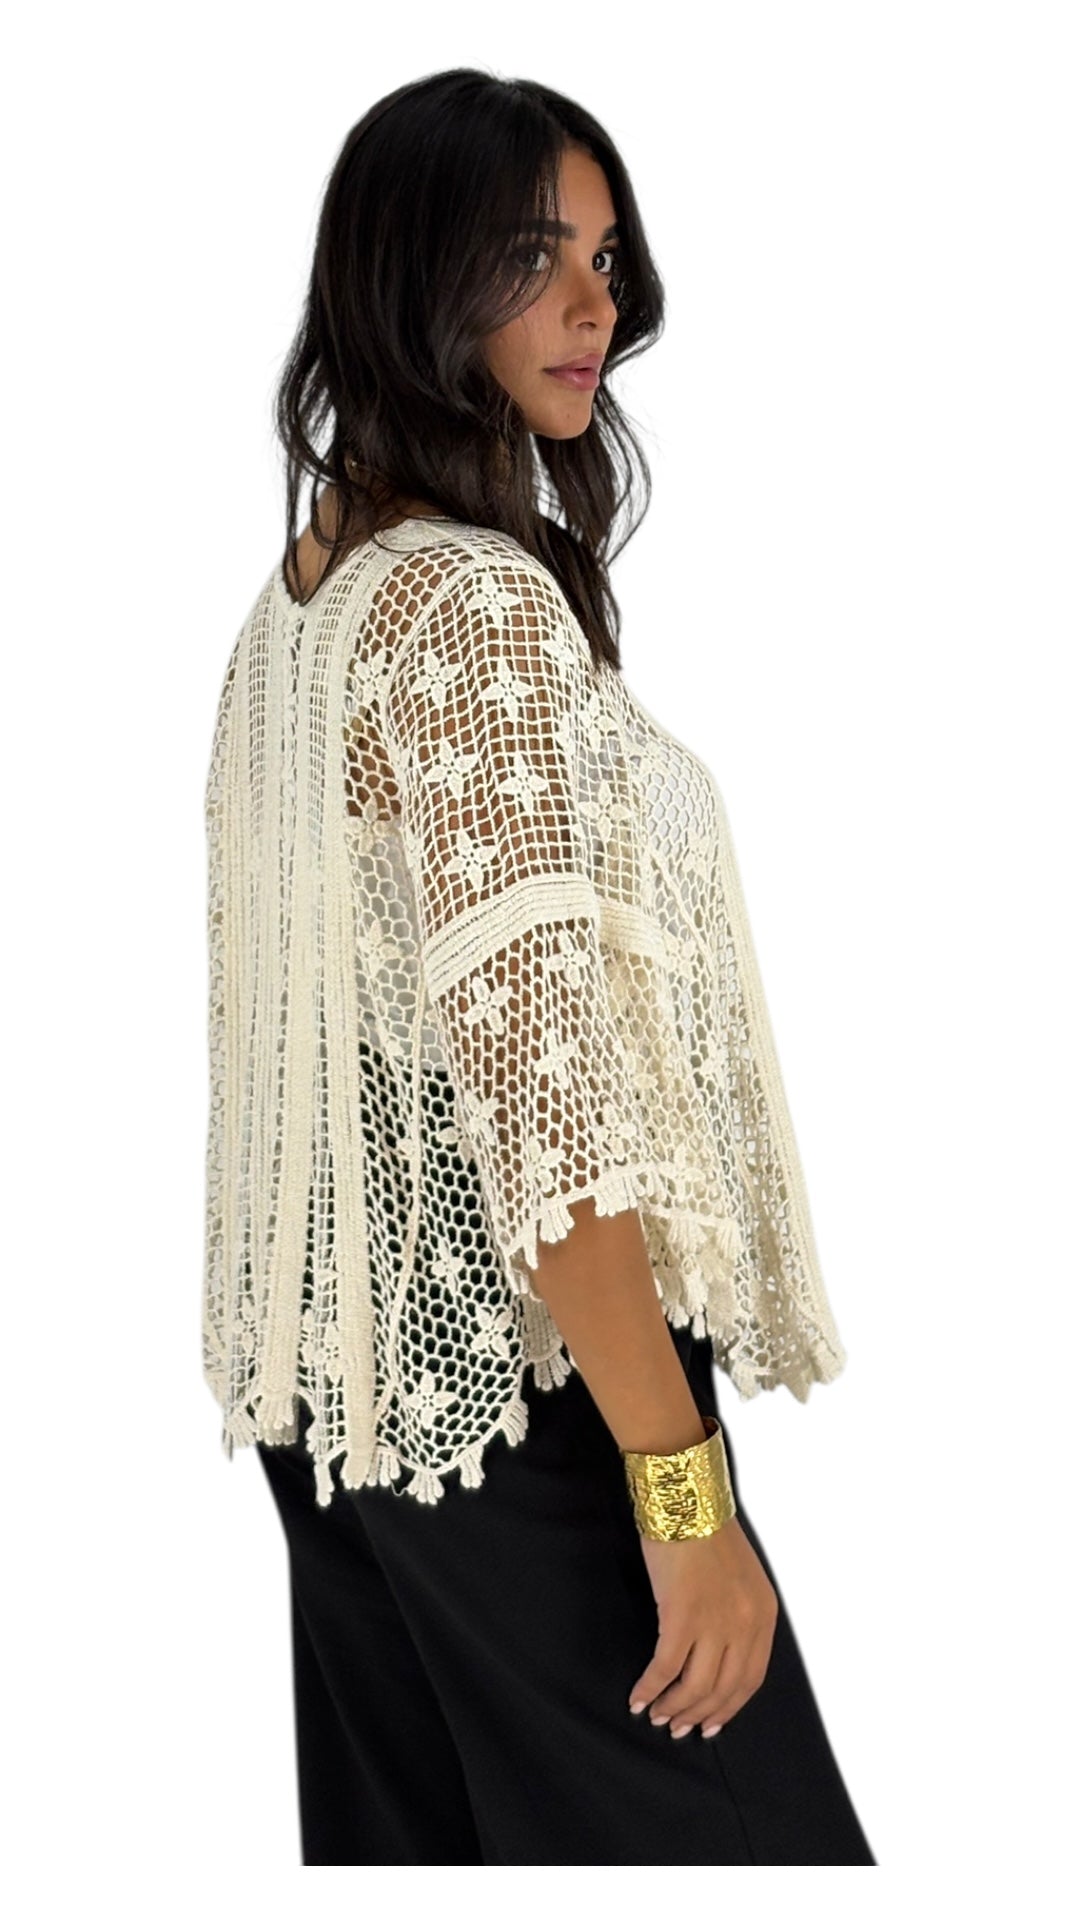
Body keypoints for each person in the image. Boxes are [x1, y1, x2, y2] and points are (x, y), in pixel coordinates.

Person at [202, 66, 877, 1866]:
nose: (594, 305)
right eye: (533, 256)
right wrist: (683, 1494)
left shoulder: (303, 606)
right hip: (530, 1395)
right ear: (412, 278)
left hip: (350, 1418)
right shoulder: (468, 605)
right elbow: (540, 1095)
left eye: (604, 259)